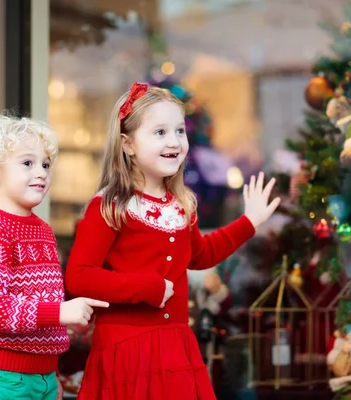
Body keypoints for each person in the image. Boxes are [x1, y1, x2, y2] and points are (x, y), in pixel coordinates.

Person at [65, 82, 280, 400]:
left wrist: (249, 222)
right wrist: (147, 288)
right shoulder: (109, 206)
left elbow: (201, 254)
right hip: (126, 352)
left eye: (180, 131)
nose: (175, 141)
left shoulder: (181, 203)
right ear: (128, 144)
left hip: (175, 350)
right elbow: (80, 276)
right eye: (160, 132)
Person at [0, 115, 109, 400]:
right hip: (4, 381)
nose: (41, 172)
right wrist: (60, 312)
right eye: (28, 163)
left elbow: (43, 309)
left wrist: (51, 378)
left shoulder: (44, 231)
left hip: (44, 378)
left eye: (45, 164)